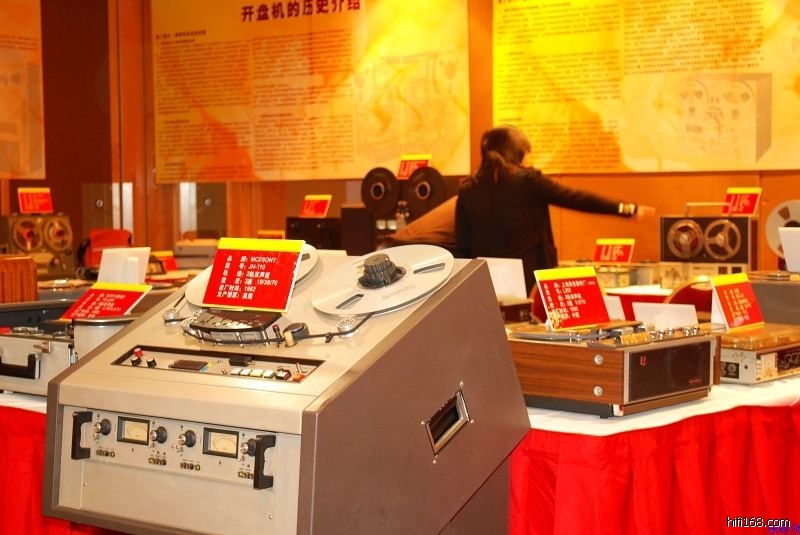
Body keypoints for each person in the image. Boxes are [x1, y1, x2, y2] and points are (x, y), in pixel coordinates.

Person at [455, 125, 652, 295]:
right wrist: (626, 209)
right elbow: (576, 199)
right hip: (530, 279)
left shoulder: (468, 188)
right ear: (517, 153)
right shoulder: (528, 181)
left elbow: (463, 243)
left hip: (486, 279)